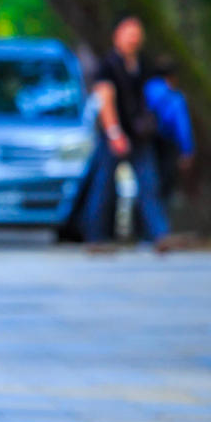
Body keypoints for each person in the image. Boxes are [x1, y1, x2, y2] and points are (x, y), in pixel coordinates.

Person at [83, 15, 172, 248]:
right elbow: (105, 98)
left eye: (137, 33)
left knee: (148, 184)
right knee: (103, 186)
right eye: (128, 32)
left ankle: (159, 234)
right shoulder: (108, 65)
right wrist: (114, 133)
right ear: (117, 35)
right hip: (114, 135)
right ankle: (95, 236)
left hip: (139, 135)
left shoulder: (143, 64)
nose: (133, 38)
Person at [144, 57, 194, 209]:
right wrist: (187, 151)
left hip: (144, 142)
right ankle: (160, 225)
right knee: (164, 185)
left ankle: (144, 223)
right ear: (172, 76)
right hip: (166, 144)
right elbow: (182, 126)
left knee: (146, 182)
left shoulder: (145, 89)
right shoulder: (174, 97)